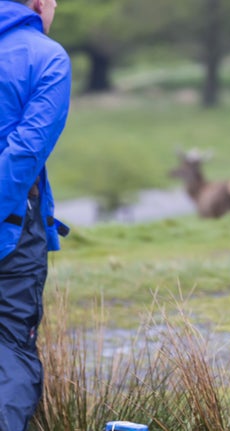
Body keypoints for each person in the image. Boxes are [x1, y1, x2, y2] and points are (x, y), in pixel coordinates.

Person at [0, 0, 71, 430]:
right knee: (10, 346)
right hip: (11, 228)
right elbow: (26, 151)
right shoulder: (46, 57)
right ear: (41, 4)